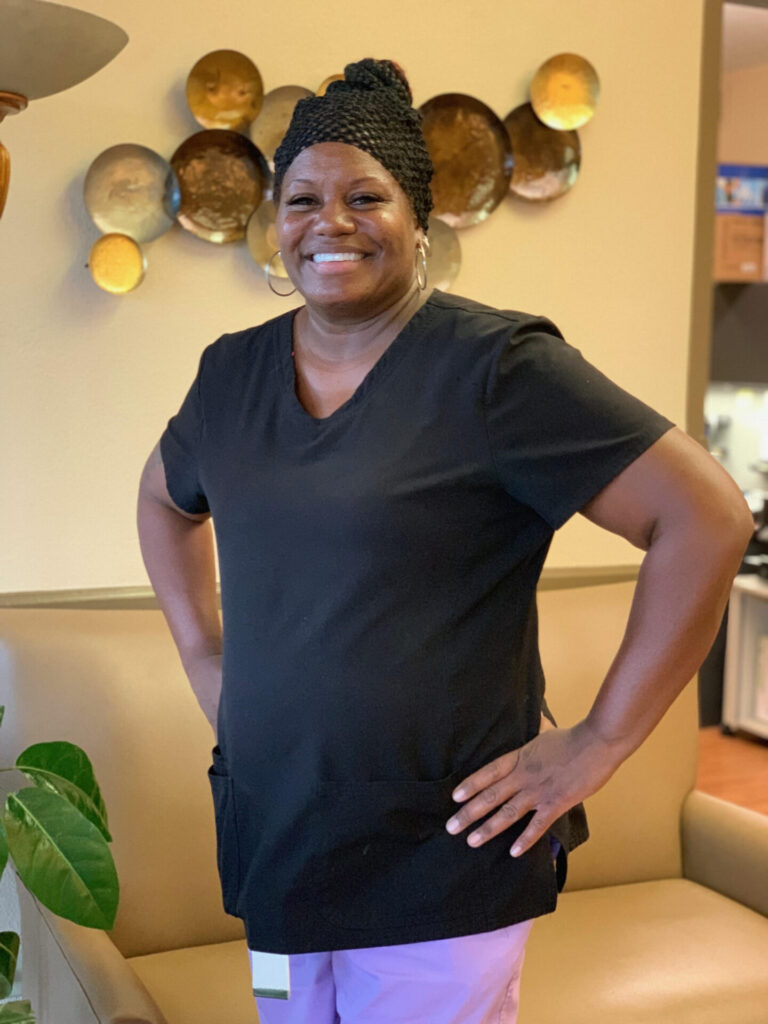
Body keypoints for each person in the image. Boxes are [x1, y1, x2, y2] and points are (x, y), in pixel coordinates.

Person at [136, 58, 753, 1024]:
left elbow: (708, 517)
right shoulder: (231, 375)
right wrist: (205, 651)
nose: (328, 222)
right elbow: (166, 503)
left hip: (444, 847)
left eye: (364, 196)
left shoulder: (497, 370)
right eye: (302, 199)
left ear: (421, 220)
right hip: (272, 830)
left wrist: (600, 741)